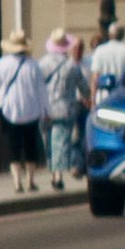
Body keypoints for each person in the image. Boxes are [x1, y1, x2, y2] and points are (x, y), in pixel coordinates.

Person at [0, 31, 49, 190]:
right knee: (30, 146)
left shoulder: (2, 63)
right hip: (31, 109)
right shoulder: (33, 65)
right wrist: (46, 111)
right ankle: (30, 180)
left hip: (9, 109)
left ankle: (16, 182)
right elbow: (41, 90)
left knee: (13, 146)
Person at [43, 31, 91, 187]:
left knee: (48, 141)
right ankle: (58, 175)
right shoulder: (72, 65)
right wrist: (88, 97)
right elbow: (84, 87)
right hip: (65, 108)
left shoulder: (42, 63)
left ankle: (52, 171)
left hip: (45, 108)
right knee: (61, 142)